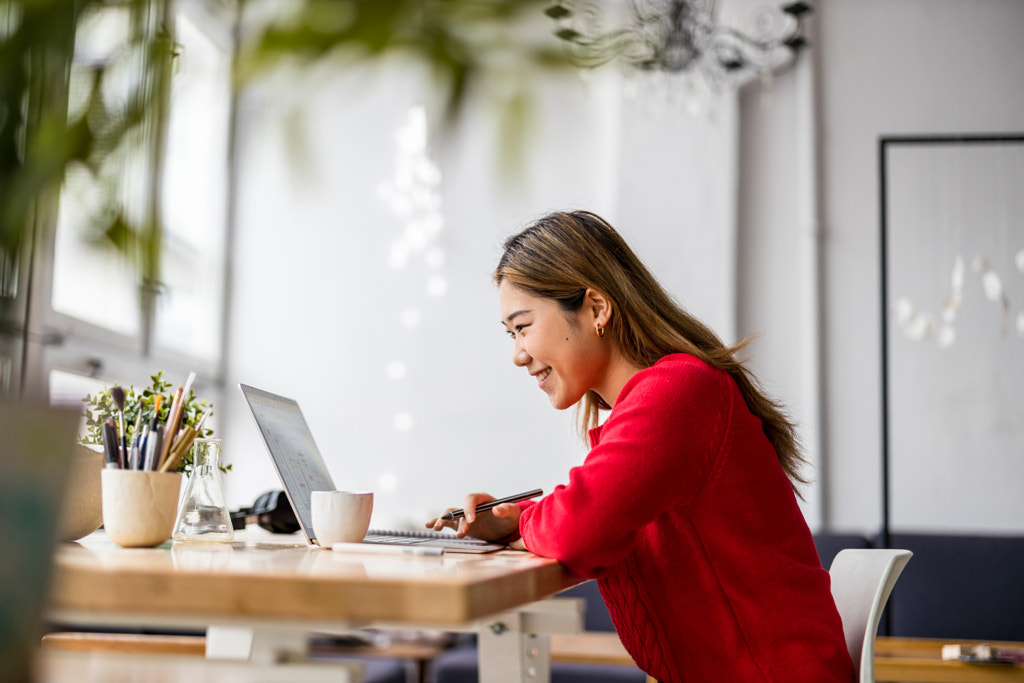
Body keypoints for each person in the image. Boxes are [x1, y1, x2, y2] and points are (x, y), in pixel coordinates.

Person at [427, 210, 855, 682]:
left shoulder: (677, 391)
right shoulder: (661, 401)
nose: (517, 354)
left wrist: (530, 521)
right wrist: (513, 523)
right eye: (511, 334)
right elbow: (597, 513)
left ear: (596, 308)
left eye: (523, 326)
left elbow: (580, 530)